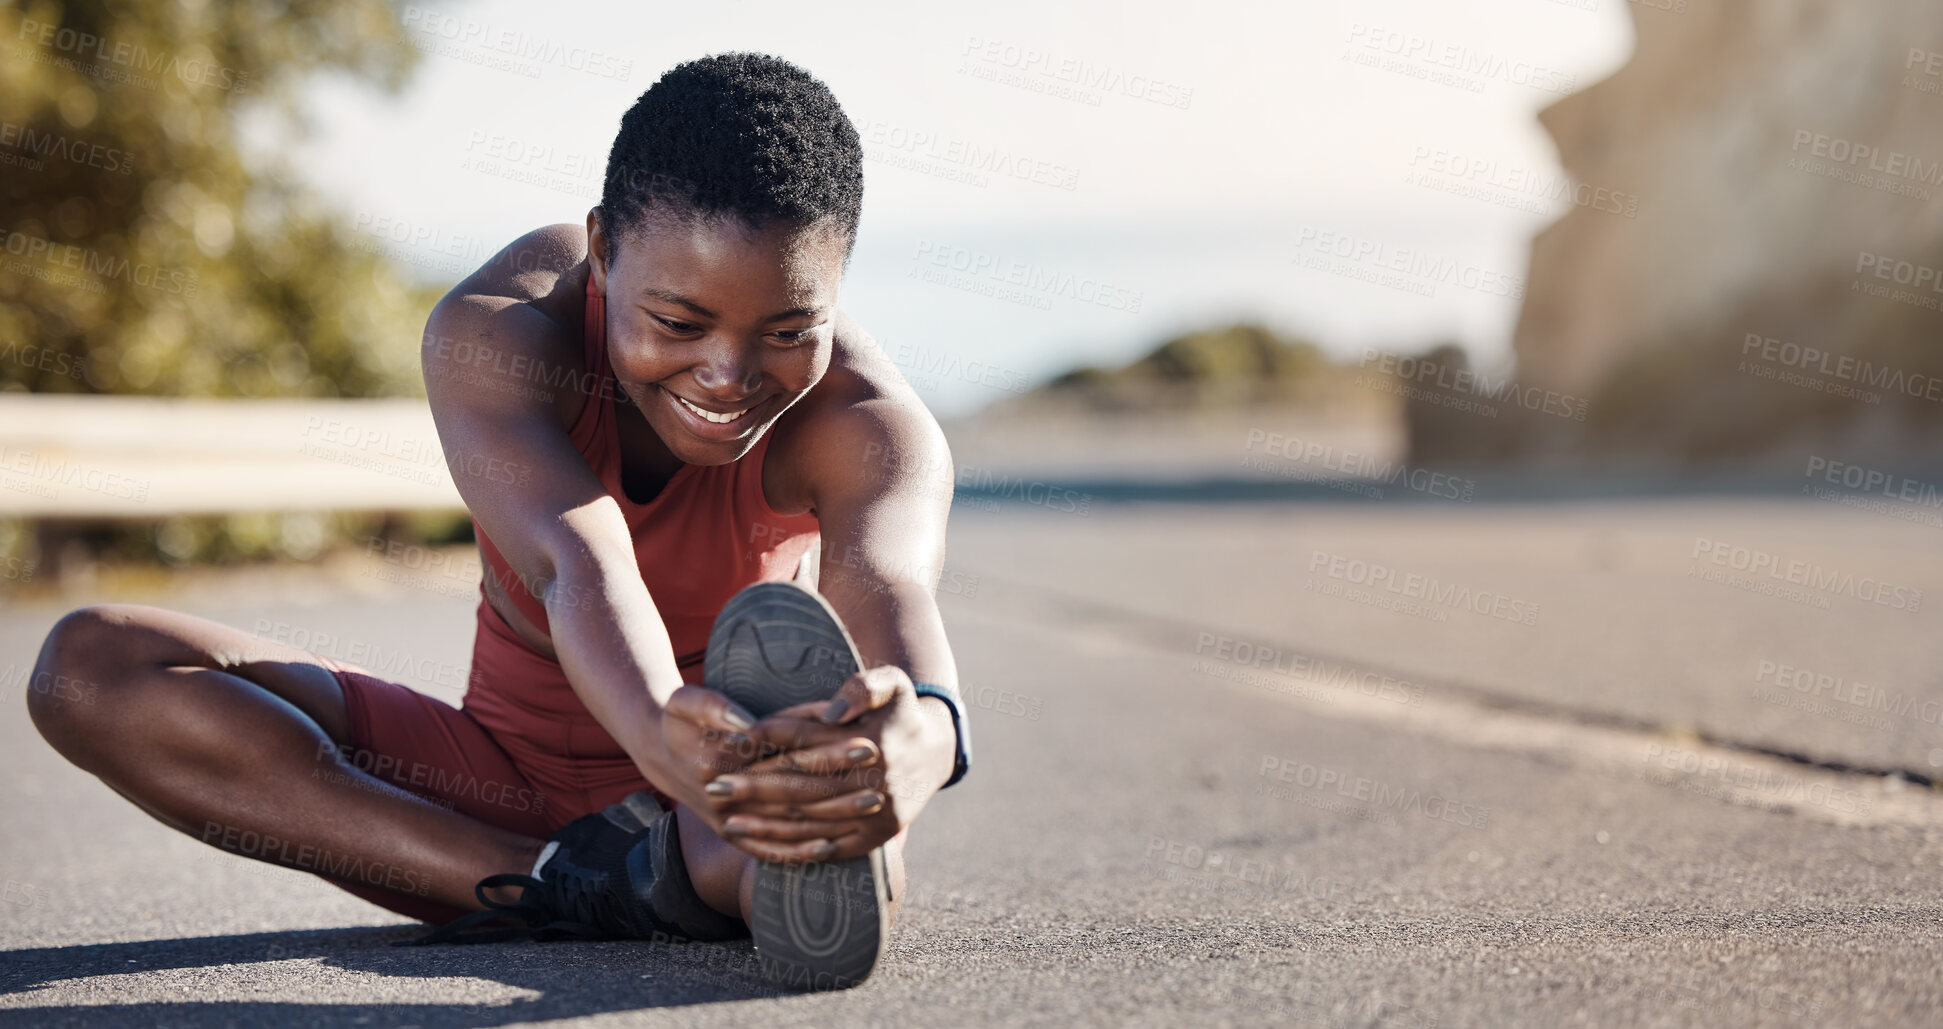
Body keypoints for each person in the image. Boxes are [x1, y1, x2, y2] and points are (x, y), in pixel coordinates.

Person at [25, 51, 972, 991]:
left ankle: (684, 872)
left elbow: (885, 581)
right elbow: (575, 560)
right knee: (89, 668)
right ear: (604, 248)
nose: (728, 375)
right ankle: (567, 884)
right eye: (679, 324)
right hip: (489, 795)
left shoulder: (867, 420)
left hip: (714, 794)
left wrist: (927, 733)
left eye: (785, 332)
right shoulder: (502, 330)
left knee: (829, 846)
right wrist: (653, 728)